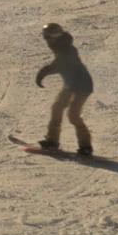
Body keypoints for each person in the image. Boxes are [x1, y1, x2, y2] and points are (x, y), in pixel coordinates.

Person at [34, 22, 95, 155]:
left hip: (82, 86)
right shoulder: (60, 47)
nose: (46, 41)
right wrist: (44, 72)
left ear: (54, 37)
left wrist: (44, 72)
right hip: (70, 85)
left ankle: (86, 146)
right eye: (44, 37)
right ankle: (52, 141)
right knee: (57, 108)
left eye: (47, 37)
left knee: (73, 115)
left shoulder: (68, 50)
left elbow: (61, 64)